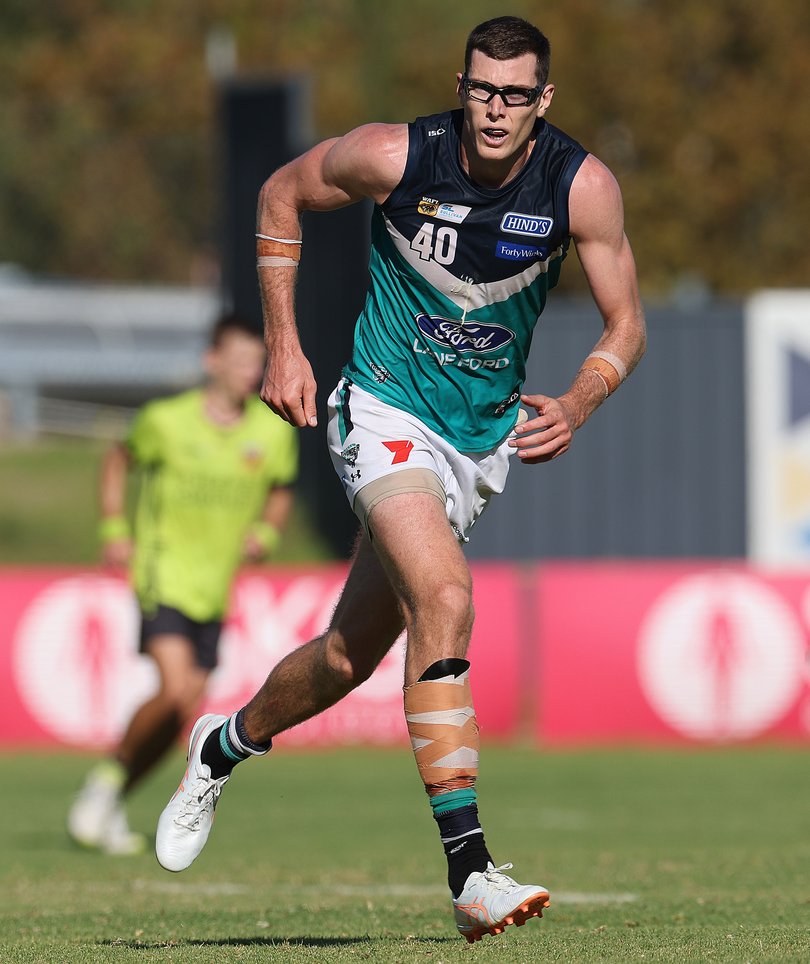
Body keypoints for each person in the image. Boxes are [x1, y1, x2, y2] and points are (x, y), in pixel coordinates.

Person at [155, 15, 646, 942]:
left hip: (478, 445)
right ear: (461, 86)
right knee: (446, 598)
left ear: (543, 100)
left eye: (515, 95)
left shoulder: (580, 187)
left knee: (349, 657)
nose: (494, 109)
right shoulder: (394, 154)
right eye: (481, 88)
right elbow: (279, 194)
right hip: (382, 412)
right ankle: (471, 873)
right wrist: (284, 346)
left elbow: (627, 325)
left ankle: (223, 744)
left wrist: (580, 400)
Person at [67, 312, 299, 854]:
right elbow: (117, 461)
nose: (249, 371)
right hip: (163, 574)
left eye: (257, 362)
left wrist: (267, 530)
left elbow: (281, 487)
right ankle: (103, 785)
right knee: (173, 692)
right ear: (211, 361)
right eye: (239, 360)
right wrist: (113, 528)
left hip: (215, 588)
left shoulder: (269, 431)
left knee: (183, 712)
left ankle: (110, 796)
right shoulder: (165, 420)